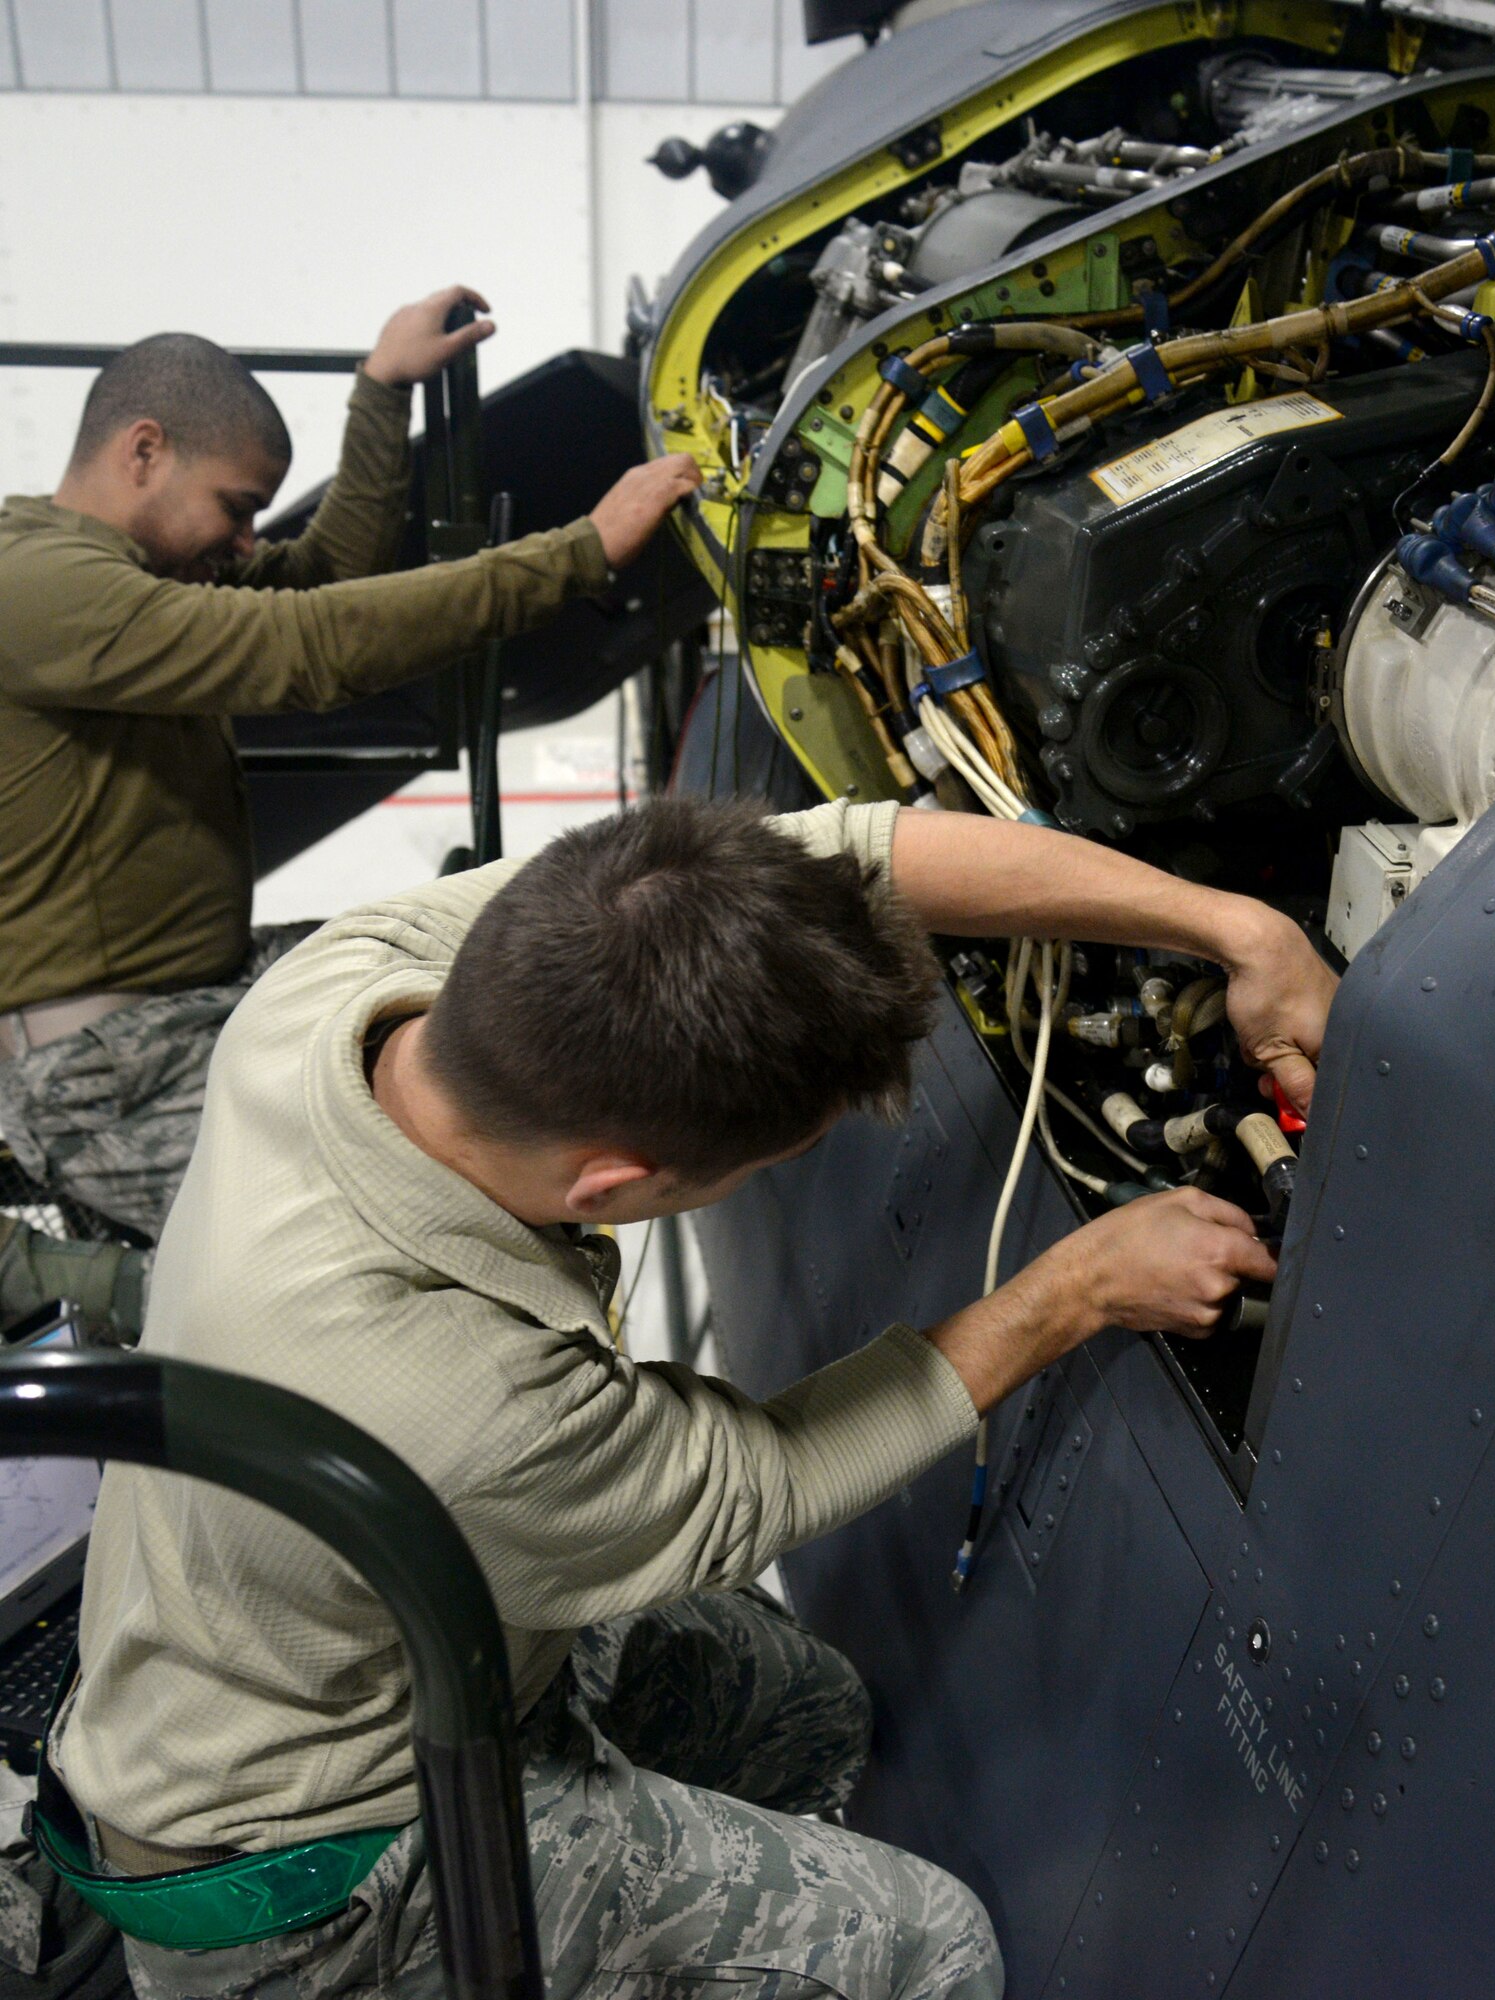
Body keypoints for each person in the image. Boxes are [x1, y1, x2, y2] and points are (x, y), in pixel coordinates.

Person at [49, 794, 1336, 2000]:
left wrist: (1237, 928)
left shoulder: (344, 994)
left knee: (809, 1712)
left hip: (379, 1622)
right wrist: (1078, 1289)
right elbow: (768, 1475)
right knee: (923, 1948)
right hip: (316, 1866)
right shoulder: (460, 1400)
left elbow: (861, 853)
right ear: (610, 1188)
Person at [0, 286, 699, 1337]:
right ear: (143, 450)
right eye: (235, 507)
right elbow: (311, 647)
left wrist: (381, 395)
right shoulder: (40, 585)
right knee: (424, 1242)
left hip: (195, 994)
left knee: (470, 965)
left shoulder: (132, 572)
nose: (245, 541)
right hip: (106, 1064)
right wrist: (579, 553)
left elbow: (324, 577)